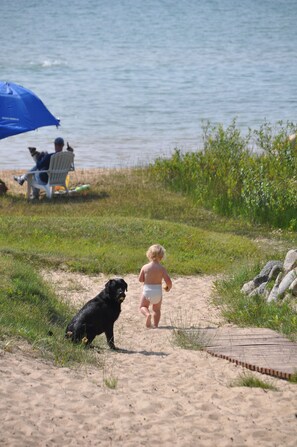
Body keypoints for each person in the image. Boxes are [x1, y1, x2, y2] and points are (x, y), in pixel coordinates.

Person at [138, 244, 172, 328]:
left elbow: (140, 279)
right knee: (156, 310)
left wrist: (146, 279)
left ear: (149, 255)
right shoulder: (162, 268)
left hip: (147, 290)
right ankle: (156, 325)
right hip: (157, 292)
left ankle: (147, 314)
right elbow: (169, 281)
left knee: (143, 306)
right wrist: (168, 288)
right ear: (161, 257)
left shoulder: (145, 267)